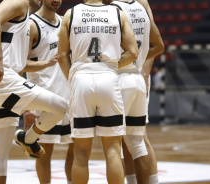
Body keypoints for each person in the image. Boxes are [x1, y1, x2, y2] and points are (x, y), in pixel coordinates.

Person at [0, 0, 68, 183]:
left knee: (0, 152)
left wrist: (46, 63)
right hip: (3, 79)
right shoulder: (19, 2)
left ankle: (26, 139)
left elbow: (20, 63)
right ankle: (27, 139)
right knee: (61, 106)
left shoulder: (24, 20)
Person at [58, 0, 138, 183]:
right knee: (113, 151)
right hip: (108, 77)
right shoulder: (118, 13)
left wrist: (72, 79)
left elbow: (62, 55)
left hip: (80, 78)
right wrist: (109, 65)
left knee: (80, 151)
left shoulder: (71, 14)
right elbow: (133, 52)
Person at [110, 0, 164, 183]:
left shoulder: (111, 5)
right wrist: (143, 70)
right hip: (136, 77)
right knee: (134, 141)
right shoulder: (142, 4)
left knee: (116, 142)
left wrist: (145, 71)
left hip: (119, 77)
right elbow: (157, 44)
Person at [21, 0, 74, 183]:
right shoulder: (32, 25)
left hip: (70, 97)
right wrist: (26, 109)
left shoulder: (65, 21)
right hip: (44, 98)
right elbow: (20, 65)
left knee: (76, 147)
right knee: (44, 152)